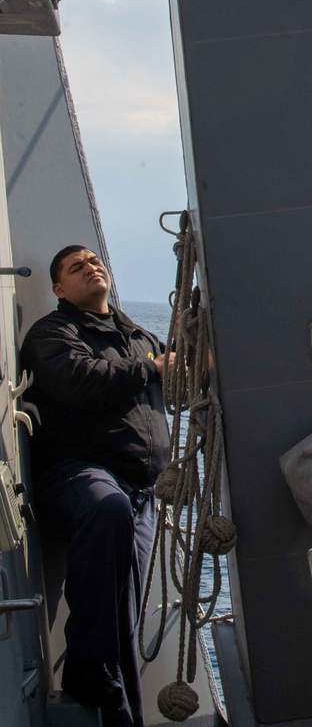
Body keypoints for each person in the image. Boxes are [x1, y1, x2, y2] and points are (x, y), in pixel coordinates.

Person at [20, 245, 170, 727]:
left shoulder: (136, 335)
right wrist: (154, 367)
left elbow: (182, 376)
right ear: (60, 288)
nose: (90, 266)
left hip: (140, 493)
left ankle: (120, 713)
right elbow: (81, 382)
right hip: (79, 473)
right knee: (106, 510)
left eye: (93, 259)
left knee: (123, 619)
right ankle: (84, 664)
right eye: (75, 266)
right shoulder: (53, 333)